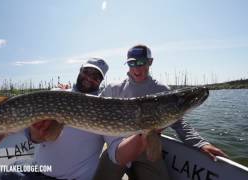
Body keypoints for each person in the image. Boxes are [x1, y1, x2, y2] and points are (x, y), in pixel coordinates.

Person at [0, 58, 148, 180]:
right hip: (34, 171)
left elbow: (117, 154)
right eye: (87, 72)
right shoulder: (57, 92)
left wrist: (144, 131)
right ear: (80, 70)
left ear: (100, 81)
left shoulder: (103, 107)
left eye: (96, 77)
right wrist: (35, 134)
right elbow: (31, 135)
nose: (89, 78)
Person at [93, 44, 228, 180]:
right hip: (116, 148)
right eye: (132, 63)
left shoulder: (162, 89)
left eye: (141, 62)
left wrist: (200, 143)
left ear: (150, 62)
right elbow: (93, 109)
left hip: (148, 149)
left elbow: (179, 123)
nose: (136, 68)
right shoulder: (113, 88)